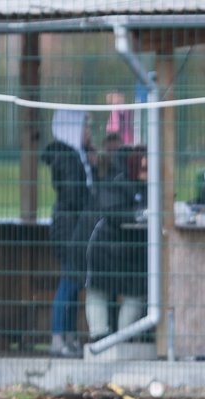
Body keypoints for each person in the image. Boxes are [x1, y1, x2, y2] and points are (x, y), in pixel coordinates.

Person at [41, 110, 94, 358]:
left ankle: (69, 335)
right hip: (69, 228)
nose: (88, 133)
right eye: (85, 128)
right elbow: (75, 196)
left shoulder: (78, 156)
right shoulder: (70, 159)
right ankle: (58, 336)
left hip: (73, 225)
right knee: (68, 282)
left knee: (74, 282)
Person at [85, 144, 148, 340]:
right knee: (98, 290)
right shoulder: (117, 182)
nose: (148, 172)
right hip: (106, 249)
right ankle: (99, 337)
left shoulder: (151, 187)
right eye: (144, 168)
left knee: (136, 292)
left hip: (134, 253)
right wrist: (140, 214)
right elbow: (114, 213)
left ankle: (125, 336)